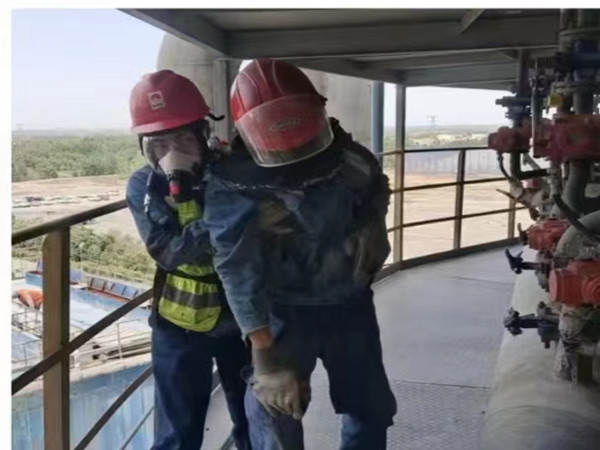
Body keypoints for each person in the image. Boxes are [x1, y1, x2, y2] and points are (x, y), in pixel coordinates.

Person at [203, 59, 397, 450]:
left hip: (350, 302)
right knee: (275, 416)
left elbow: (375, 187)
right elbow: (237, 268)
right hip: (284, 311)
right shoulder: (233, 185)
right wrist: (264, 357)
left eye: (301, 138)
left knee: (370, 408)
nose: (295, 154)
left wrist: (373, 223)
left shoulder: (350, 160)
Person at [126, 70, 251, 450]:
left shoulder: (232, 172)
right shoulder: (144, 185)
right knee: (177, 436)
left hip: (242, 321)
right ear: (146, 148)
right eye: (160, 144)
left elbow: (251, 238)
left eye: (182, 139)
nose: (172, 153)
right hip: (178, 326)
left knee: (255, 423)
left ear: (203, 134)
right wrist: (215, 217)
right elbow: (167, 253)